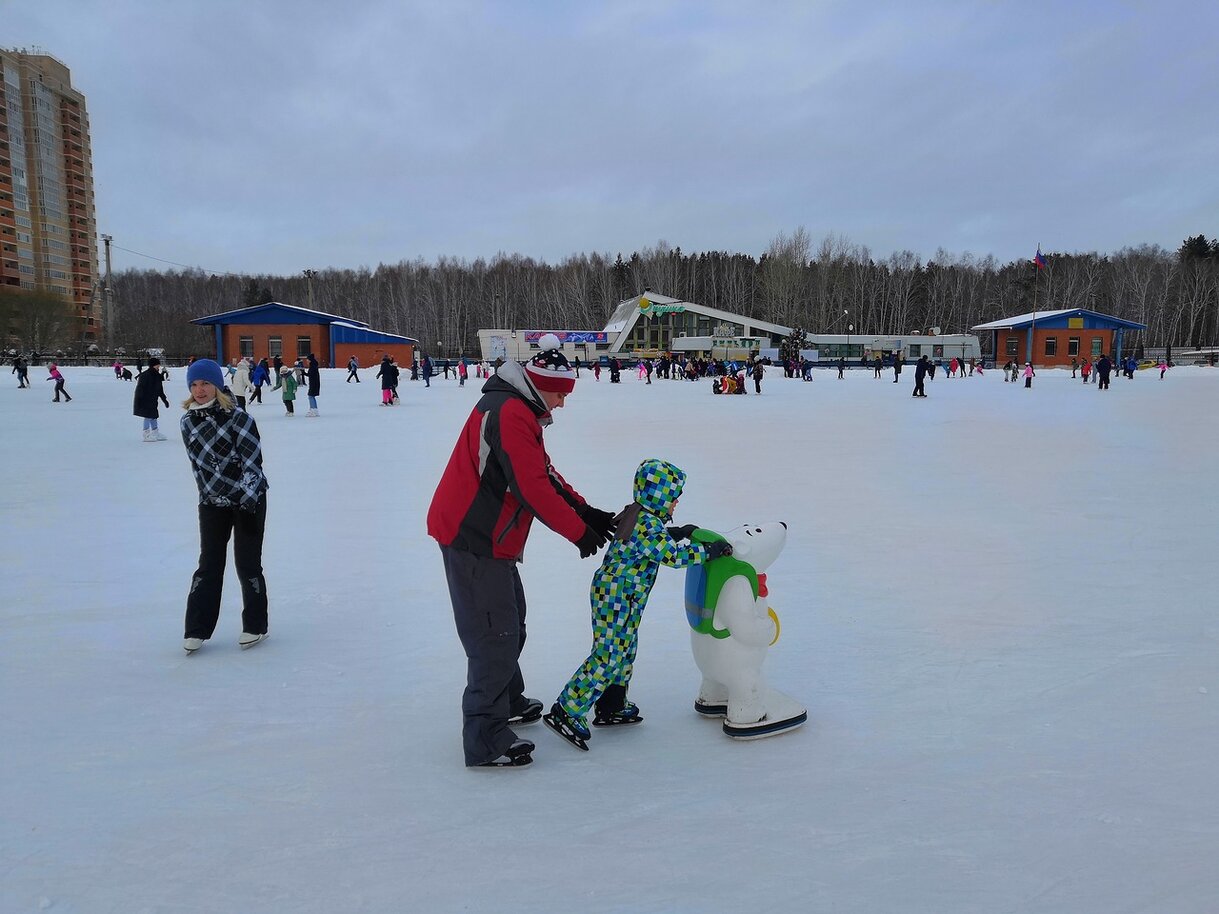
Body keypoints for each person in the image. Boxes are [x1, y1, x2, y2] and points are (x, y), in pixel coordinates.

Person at [426, 336, 618, 768]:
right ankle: (485, 737)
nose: (563, 404)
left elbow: (541, 473)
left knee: (511, 620)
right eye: (560, 394)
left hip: (491, 539)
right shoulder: (510, 412)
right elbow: (530, 488)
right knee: (494, 635)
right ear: (540, 384)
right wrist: (579, 534)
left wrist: (585, 509)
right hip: (473, 536)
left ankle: (507, 700)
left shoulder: (519, 409)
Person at [544, 459, 730, 750]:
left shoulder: (641, 516)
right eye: (673, 495)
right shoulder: (645, 523)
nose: (676, 501)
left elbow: (651, 543)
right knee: (609, 654)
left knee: (625, 649)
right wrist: (708, 551)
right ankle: (567, 709)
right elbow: (671, 557)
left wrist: (675, 533)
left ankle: (611, 704)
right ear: (659, 495)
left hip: (624, 597)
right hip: (615, 596)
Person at [179, 359, 270, 654]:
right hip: (212, 503)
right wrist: (207, 497)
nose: (199, 390)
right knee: (208, 565)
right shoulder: (188, 422)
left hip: (248, 500)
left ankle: (255, 625)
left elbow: (252, 463)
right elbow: (197, 467)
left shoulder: (238, 418)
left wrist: (245, 500)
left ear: (216, 385)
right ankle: (196, 629)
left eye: (205, 383)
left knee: (247, 564)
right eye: (194, 385)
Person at [133, 357, 171, 440]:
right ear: (153, 365)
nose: (159, 367)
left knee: (153, 416)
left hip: (153, 400)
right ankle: (146, 434)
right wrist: (140, 399)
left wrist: (164, 400)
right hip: (145, 399)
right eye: (157, 365)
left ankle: (155, 432)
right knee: (148, 415)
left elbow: (160, 389)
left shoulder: (157, 376)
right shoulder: (145, 375)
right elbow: (140, 388)